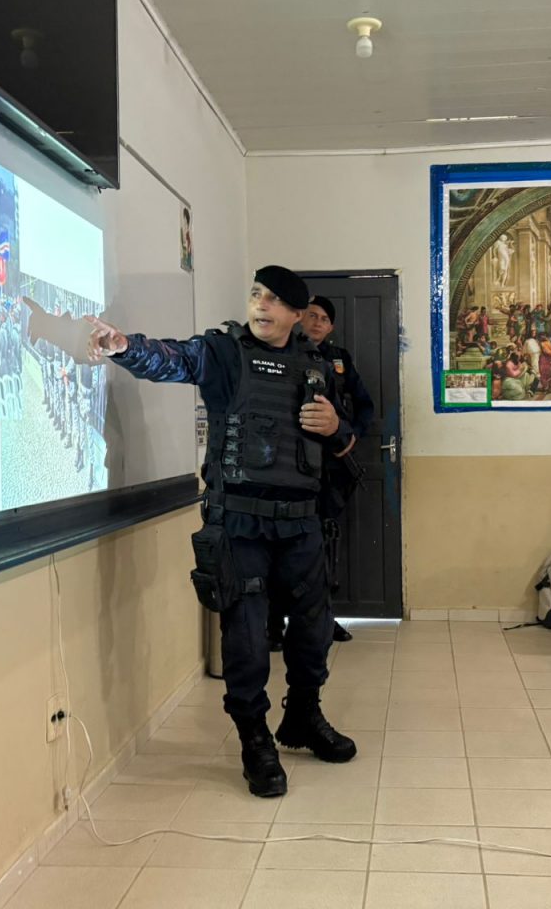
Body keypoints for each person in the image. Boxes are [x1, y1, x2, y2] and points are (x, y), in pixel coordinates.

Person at [87, 265, 358, 798]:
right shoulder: (224, 354)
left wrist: (337, 429)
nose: (261, 305)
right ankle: (254, 739)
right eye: (256, 294)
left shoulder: (316, 366)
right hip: (240, 523)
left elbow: (342, 438)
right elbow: (171, 359)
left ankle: (303, 716)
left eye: (274, 300)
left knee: (313, 631)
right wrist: (123, 346)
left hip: (301, 522)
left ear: (297, 315)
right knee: (247, 640)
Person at [265, 295, 376, 649]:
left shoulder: (339, 360)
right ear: (299, 318)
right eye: (311, 315)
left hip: (329, 468)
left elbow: (365, 405)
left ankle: (322, 620)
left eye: (324, 318)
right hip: (287, 467)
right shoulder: (280, 354)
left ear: (331, 327)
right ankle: (272, 623)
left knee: (321, 548)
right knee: (276, 545)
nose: (316, 322)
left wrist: (349, 437)